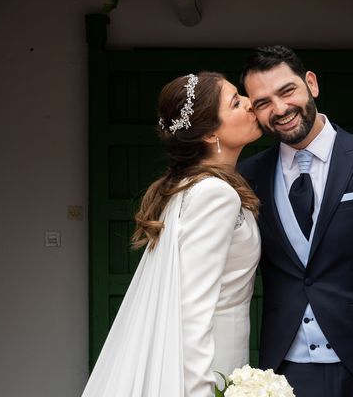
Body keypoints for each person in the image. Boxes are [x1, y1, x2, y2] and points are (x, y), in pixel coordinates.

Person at [238, 46, 353, 397]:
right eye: (263, 103)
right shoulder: (248, 176)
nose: (280, 109)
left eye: (287, 91)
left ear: (311, 83)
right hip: (282, 375)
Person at [81, 72, 262, 397]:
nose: (250, 104)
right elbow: (192, 310)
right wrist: (200, 391)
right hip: (210, 363)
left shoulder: (193, 187)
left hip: (223, 356)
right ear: (209, 133)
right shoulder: (216, 195)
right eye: (236, 102)